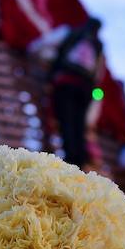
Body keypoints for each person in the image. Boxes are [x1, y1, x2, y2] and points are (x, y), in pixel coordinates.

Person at [29, 17, 103, 169]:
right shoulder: (98, 45)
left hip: (65, 84)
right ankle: (79, 161)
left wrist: (40, 56)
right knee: (79, 125)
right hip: (85, 90)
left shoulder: (70, 32)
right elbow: (97, 75)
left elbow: (42, 44)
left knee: (66, 121)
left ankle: (71, 161)